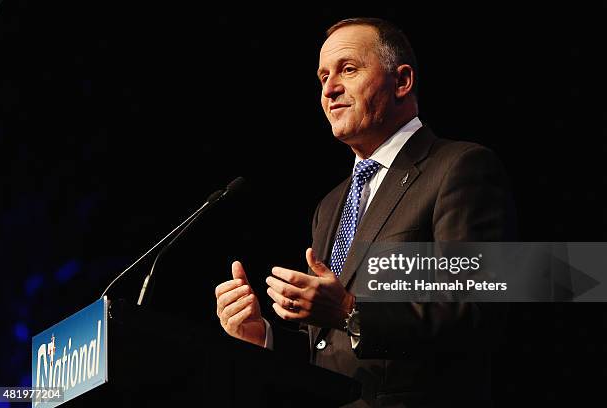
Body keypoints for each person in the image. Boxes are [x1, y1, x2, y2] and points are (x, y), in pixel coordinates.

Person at [215, 17, 516, 407]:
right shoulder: (330, 205)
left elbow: (479, 314)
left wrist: (348, 311)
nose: (330, 89)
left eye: (348, 69)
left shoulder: (461, 168)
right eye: (322, 77)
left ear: (402, 82)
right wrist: (261, 337)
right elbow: (327, 348)